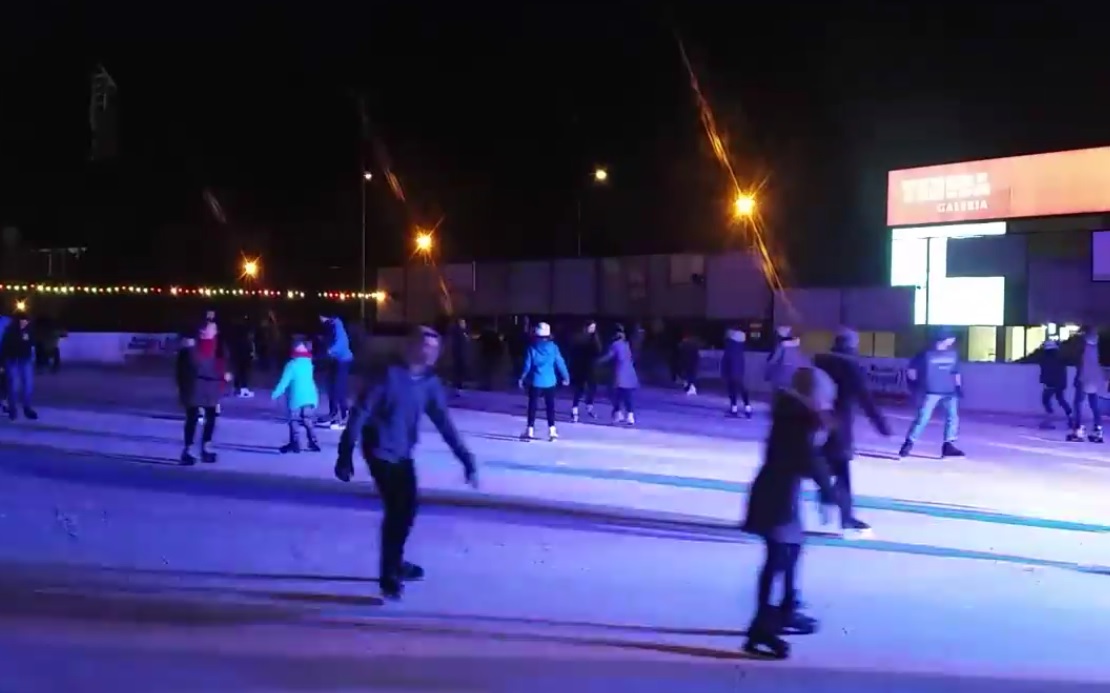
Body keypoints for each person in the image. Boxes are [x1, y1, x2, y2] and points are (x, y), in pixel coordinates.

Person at [335, 325, 478, 600]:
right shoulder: (387, 376)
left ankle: (396, 562)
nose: (430, 353)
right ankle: (389, 574)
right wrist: (345, 453)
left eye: (435, 348)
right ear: (411, 346)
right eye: (425, 346)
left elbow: (444, 424)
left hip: (402, 452)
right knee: (398, 511)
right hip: (378, 449)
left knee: (408, 510)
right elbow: (360, 413)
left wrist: (466, 458)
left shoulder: (430, 384)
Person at [741, 367, 839, 660]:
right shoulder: (796, 420)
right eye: (824, 399)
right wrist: (828, 490)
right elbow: (808, 460)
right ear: (813, 396)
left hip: (783, 493)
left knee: (792, 550)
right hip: (776, 497)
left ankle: (786, 609)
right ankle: (761, 628)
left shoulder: (796, 415)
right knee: (778, 557)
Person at [813, 328, 891, 537]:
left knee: (822, 466)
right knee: (841, 473)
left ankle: (827, 497)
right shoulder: (851, 367)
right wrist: (882, 425)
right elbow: (866, 399)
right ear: (853, 345)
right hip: (839, 427)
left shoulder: (819, 363)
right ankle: (844, 516)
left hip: (815, 423)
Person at [899, 328, 964, 458]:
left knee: (952, 417)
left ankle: (948, 444)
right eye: (951, 338)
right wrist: (915, 385)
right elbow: (911, 371)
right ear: (944, 339)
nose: (953, 340)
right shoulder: (925, 354)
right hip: (931, 391)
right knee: (923, 418)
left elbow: (955, 372)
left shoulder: (952, 354)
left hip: (949, 391)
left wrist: (958, 387)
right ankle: (909, 442)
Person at [175, 321, 231, 465]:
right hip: (195, 388)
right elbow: (194, 369)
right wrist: (221, 376)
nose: (214, 331)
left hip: (212, 389)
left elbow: (224, 365)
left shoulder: (219, 348)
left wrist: (223, 381)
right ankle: (188, 450)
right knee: (192, 418)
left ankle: (205, 448)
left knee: (211, 419)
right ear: (202, 332)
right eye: (210, 329)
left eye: (214, 329)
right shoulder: (191, 348)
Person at [518, 322, 570, 441]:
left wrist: (522, 377)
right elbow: (560, 363)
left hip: (535, 381)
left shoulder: (532, 347)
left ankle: (530, 430)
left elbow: (527, 365)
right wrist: (566, 377)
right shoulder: (553, 347)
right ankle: (552, 430)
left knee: (532, 405)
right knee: (550, 406)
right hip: (550, 381)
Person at [272, 338, 321, 454]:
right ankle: (313, 442)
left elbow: (284, 382)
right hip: (310, 397)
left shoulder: (291, 365)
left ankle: (295, 444)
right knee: (308, 420)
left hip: (296, 398)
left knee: (294, 421)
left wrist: (275, 394)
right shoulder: (309, 364)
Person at [1068, 326, 1104, 443]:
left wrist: (1078, 378)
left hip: (1084, 377)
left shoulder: (1083, 347)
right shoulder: (1095, 347)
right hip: (1094, 377)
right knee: (1094, 405)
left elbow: (1081, 362)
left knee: (1078, 403)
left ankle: (1079, 430)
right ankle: (1098, 430)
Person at [319, 314, 354, 429]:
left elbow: (342, 342)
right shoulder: (331, 325)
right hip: (336, 360)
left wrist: (330, 350)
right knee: (331, 387)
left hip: (343, 361)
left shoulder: (337, 325)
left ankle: (344, 415)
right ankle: (333, 414)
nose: (320, 320)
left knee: (338, 388)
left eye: (321, 317)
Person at [598, 326, 639, 425]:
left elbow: (609, 356)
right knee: (627, 395)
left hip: (620, 373)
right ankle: (630, 415)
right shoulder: (627, 344)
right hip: (630, 372)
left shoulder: (615, 345)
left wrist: (598, 361)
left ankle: (618, 413)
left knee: (615, 394)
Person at [1, 311, 38, 420]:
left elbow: (32, 345)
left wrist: (33, 358)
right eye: (22, 321)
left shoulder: (29, 331)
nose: (24, 323)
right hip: (12, 361)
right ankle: (12, 409)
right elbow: (4, 348)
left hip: (25, 360)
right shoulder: (10, 331)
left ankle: (27, 408)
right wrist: (2, 363)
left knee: (28, 385)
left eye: (26, 321)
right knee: (13, 386)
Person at [568, 321, 603, 422]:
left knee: (592, 387)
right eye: (591, 327)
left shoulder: (594, 338)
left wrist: (595, 339)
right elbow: (574, 352)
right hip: (581, 366)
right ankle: (575, 409)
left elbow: (598, 351)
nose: (592, 330)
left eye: (594, 328)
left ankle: (589, 406)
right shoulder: (579, 338)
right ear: (586, 327)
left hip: (590, 367)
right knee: (579, 388)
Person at [1034, 338, 1071, 430]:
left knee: (1045, 400)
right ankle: (1070, 417)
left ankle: (1049, 420)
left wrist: (1045, 381)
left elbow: (1046, 371)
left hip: (1051, 383)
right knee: (1061, 399)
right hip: (1060, 382)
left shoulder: (1047, 357)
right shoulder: (1059, 356)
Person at [765, 326, 809, 392]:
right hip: (796, 377)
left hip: (782, 377)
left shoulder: (783, 346)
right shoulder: (801, 346)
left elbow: (773, 360)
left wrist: (767, 374)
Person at [721, 327, 752, 418]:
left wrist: (723, 371)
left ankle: (734, 409)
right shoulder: (740, 346)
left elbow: (726, 359)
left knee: (732, 389)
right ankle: (747, 408)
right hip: (739, 369)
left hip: (730, 369)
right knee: (741, 388)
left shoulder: (730, 345)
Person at [448, 318, 470, 395]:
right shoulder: (459, 333)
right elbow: (460, 344)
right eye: (462, 323)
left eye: (464, 323)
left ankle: (458, 386)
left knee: (459, 371)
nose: (464, 324)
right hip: (459, 354)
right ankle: (458, 386)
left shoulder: (462, 332)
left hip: (460, 354)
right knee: (459, 371)